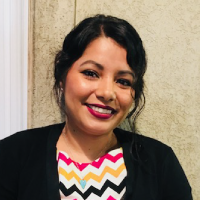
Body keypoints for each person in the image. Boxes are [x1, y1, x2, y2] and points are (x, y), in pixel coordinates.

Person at [0, 14, 192, 200]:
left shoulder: (160, 162)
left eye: (123, 81)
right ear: (62, 76)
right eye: (91, 73)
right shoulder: (12, 155)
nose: (107, 93)